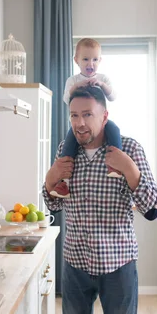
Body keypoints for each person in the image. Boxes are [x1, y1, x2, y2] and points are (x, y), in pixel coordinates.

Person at [42, 85, 157, 314]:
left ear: (104, 116)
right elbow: (54, 205)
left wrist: (130, 170)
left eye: (87, 114)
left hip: (118, 265)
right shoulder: (66, 150)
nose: (80, 123)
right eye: (74, 115)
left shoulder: (129, 149)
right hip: (75, 264)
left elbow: (153, 209)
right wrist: (50, 179)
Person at [49, 38, 122, 199]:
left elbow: (113, 96)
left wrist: (102, 86)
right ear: (76, 60)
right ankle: (64, 182)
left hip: (103, 124)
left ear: (100, 60)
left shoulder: (103, 78)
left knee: (114, 130)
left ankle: (115, 166)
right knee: (68, 144)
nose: (91, 64)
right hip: (77, 127)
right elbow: (66, 99)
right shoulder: (73, 80)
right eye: (86, 59)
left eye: (95, 59)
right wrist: (76, 87)